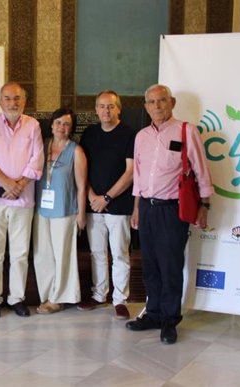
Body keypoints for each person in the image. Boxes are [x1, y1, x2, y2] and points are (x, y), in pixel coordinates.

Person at [126, 84, 212, 344]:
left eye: (161, 101)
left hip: (172, 210)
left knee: (170, 266)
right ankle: (152, 314)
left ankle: (169, 320)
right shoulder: (141, 136)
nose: (157, 106)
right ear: (145, 106)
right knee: (150, 266)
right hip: (148, 210)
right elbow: (138, 177)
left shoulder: (186, 131)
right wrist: (136, 209)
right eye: (151, 102)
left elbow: (201, 170)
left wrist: (204, 206)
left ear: (171, 102)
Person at [0, 82, 44, 318]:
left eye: (16, 98)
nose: (12, 103)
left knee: (19, 253)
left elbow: (37, 161)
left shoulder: (33, 125)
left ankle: (17, 298)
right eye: (7, 98)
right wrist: (7, 183)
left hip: (22, 200)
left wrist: (19, 186)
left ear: (24, 101)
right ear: (0, 101)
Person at [77, 90, 135, 320]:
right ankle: (100, 294)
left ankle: (120, 299)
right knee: (97, 252)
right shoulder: (90, 134)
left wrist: (107, 198)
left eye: (110, 106)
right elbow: (82, 170)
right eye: (101, 106)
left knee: (119, 253)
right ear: (96, 110)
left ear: (118, 108)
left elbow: (131, 172)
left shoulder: (129, 134)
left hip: (119, 206)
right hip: (93, 204)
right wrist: (92, 196)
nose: (106, 111)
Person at [33, 108, 87, 314]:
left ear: (71, 128)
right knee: (42, 254)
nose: (61, 127)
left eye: (66, 124)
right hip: (41, 210)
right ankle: (46, 294)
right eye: (58, 123)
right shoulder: (42, 145)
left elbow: (82, 186)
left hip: (65, 211)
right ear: (52, 124)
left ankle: (60, 297)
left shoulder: (76, 151)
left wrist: (81, 214)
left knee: (63, 255)